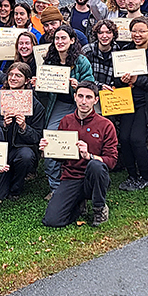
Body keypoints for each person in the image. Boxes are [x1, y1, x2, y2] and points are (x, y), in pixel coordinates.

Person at [41, 81, 118, 227]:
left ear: (96, 100)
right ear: (75, 97)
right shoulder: (66, 121)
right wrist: (48, 149)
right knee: (52, 221)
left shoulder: (106, 125)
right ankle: (78, 204)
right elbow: (60, 157)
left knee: (96, 165)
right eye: (80, 96)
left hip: (94, 178)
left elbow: (112, 161)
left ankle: (99, 208)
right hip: (71, 177)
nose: (84, 101)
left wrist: (89, 156)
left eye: (88, 97)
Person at [36, 25, 95, 197]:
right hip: (59, 104)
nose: (60, 42)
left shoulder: (82, 61)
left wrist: (79, 86)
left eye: (63, 38)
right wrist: (38, 84)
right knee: (51, 139)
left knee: (83, 140)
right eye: (57, 39)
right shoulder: (49, 61)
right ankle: (54, 186)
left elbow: (90, 85)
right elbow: (44, 93)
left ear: (72, 40)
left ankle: (82, 182)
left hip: (80, 106)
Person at [115, 17, 148, 191]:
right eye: (134, 31)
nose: (137, 35)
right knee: (124, 138)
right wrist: (122, 80)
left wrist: (138, 80)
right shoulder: (125, 50)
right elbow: (117, 78)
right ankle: (131, 176)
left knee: (137, 139)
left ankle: (144, 176)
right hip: (127, 102)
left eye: (142, 31)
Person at [0, 62, 44, 200]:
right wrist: (2, 125)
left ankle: (16, 188)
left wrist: (24, 128)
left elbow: (37, 136)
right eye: (11, 75)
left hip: (21, 150)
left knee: (25, 156)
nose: (13, 78)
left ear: (26, 80)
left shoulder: (35, 104)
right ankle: (1, 177)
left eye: (18, 76)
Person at [81, 19, 121, 93]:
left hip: (111, 95)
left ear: (113, 34)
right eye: (100, 33)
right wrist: (99, 86)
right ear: (96, 34)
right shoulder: (87, 50)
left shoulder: (119, 52)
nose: (104, 36)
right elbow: (82, 76)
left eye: (108, 32)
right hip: (90, 92)